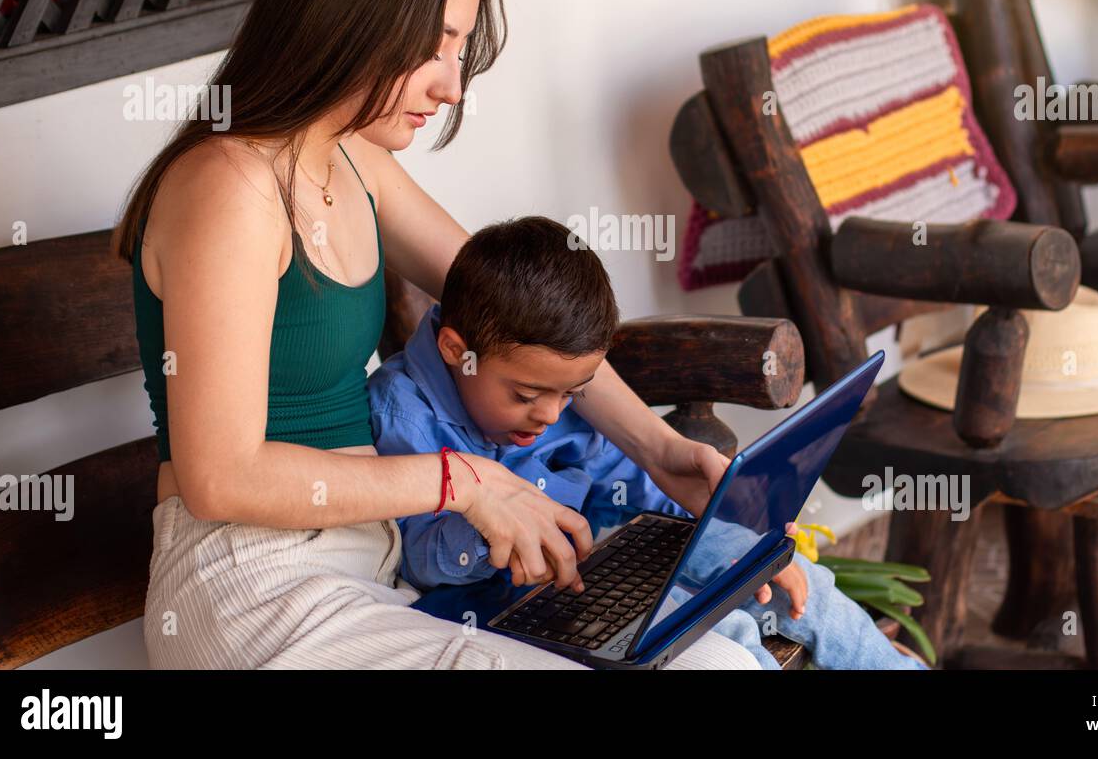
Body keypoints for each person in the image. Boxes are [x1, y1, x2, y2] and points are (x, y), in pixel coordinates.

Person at [118, 0, 759, 669]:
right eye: (433, 48)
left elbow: (515, 316)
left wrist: (663, 451)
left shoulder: (353, 161)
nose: (452, 87)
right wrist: (464, 482)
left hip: (371, 571)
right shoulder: (231, 184)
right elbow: (221, 477)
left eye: (458, 52)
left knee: (714, 662)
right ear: (345, 23)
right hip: (253, 587)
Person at [368, 216, 928, 669]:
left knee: (802, 587)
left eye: (572, 393)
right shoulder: (402, 413)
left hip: (611, 554)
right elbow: (419, 559)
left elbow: (625, 482)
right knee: (716, 628)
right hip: (510, 605)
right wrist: (487, 527)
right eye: (525, 394)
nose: (549, 414)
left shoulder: (558, 394)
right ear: (452, 349)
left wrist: (732, 537)